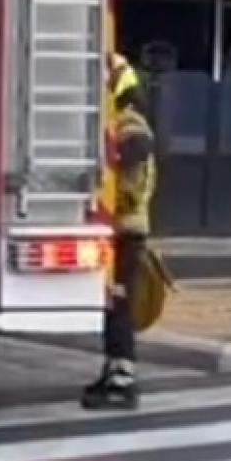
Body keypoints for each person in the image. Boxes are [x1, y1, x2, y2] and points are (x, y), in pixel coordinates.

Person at [82, 52, 157, 411]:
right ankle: (114, 368)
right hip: (123, 229)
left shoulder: (130, 120)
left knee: (119, 303)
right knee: (113, 304)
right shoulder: (123, 118)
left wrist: (107, 154)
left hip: (126, 231)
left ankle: (123, 376)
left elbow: (140, 148)